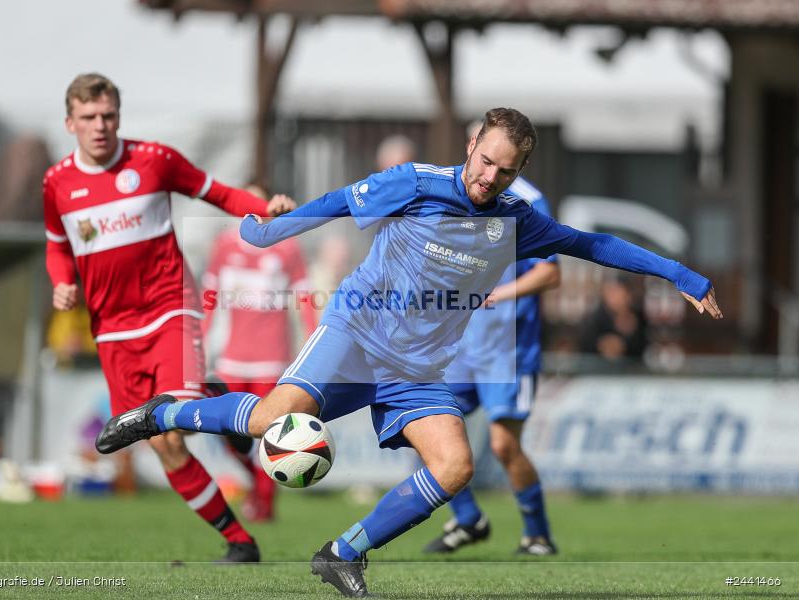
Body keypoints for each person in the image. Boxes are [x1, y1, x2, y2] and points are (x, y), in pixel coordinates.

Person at [96, 107, 722, 596]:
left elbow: (594, 244)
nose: (489, 178)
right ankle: (158, 415)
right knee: (268, 422)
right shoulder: (414, 183)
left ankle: (341, 554)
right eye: (485, 162)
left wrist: (682, 276)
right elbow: (340, 201)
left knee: (455, 466)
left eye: (505, 171)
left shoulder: (516, 222)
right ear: (471, 145)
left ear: (518, 172)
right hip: (355, 333)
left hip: (414, 368)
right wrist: (267, 230)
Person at [43, 73, 294, 562]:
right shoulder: (57, 184)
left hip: (167, 310)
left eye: (109, 115)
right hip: (113, 331)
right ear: (70, 122)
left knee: (174, 417)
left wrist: (265, 207)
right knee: (164, 445)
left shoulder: (154, 161)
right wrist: (61, 281)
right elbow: (57, 248)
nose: (101, 126)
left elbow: (217, 193)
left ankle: (218, 407)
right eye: (90, 118)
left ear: (118, 115)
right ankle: (239, 539)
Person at [424, 175, 561, 556]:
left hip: (508, 349)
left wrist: (498, 294)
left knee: (504, 446)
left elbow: (550, 273)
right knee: (422, 425)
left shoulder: (529, 201)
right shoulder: (456, 192)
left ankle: (538, 535)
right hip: (461, 346)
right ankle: (468, 519)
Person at [202, 183, 318, 521]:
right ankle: (255, 482)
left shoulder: (287, 248)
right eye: (246, 202)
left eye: (257, 203)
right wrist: (199, 342)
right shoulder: (224, 245)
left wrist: (313, 341)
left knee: (272, 435)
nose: (250, 211)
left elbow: (305, 299)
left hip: (272, 359)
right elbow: (209, 298)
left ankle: (264, 506)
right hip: (231, 360)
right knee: (227, 432)